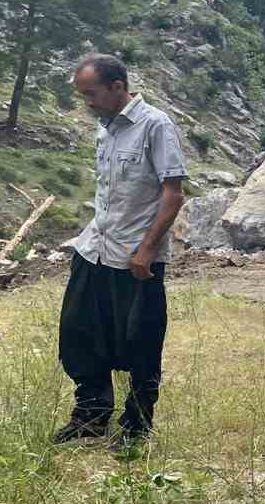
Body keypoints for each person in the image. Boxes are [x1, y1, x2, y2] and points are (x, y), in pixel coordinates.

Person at [54, 54, 188, 446]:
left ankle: (136, 427)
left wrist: (146, 250)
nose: (87, 103)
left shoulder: (156, 126)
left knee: (141, 343)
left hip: (135, 259)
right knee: (79, 334)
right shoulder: (106, 129)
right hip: (96, 248)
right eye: (83, 96)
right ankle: (91, 414)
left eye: (91, 94)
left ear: (117, 87)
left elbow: (173, 195)